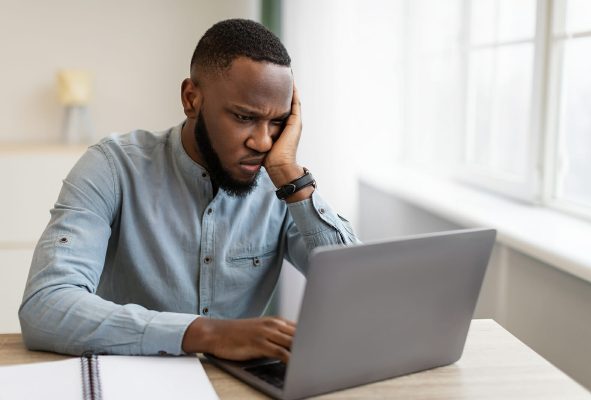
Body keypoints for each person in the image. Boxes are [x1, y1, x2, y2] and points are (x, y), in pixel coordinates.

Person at [19, 19, 357, 362]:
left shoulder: (282, 184)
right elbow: (45, 307)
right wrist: (205, 334)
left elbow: (359, 291)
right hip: (130, 380)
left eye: (277, 121)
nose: (263, 141)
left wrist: (293, 179)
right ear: (192, 98)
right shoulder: (112, 167)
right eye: (243, 117)